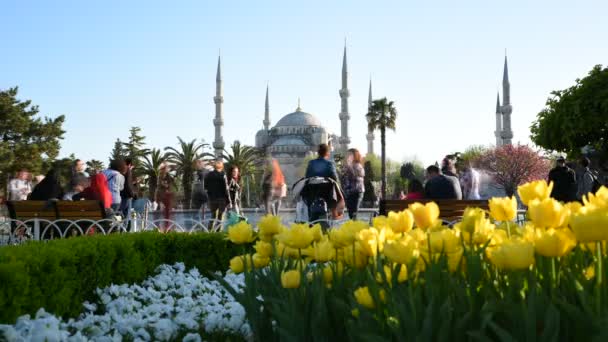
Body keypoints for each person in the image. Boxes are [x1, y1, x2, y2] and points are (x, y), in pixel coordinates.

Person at [341, 148, 365, 220]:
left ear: (355, 156)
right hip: (348, 192)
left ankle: (355, 228)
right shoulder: (347, 166)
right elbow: (343, 178)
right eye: (347, 154)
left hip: (357, 191)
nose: (348, 156)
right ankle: (353, 227)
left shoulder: (359, 166)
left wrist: (349, 166)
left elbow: (354, 176)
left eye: (350, 154)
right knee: (350, 213)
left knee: (354, 213)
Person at [155, 163, 175, 230]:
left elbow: (170, 184)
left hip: (167, 196)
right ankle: (159, 227)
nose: (167, 169)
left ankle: (167, 227)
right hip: (162, 196)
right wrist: (165, 185)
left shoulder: (168, 176)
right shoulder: (160, 176)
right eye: (166, 168)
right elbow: (160, 185)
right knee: (161, 212)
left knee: (167, 213)